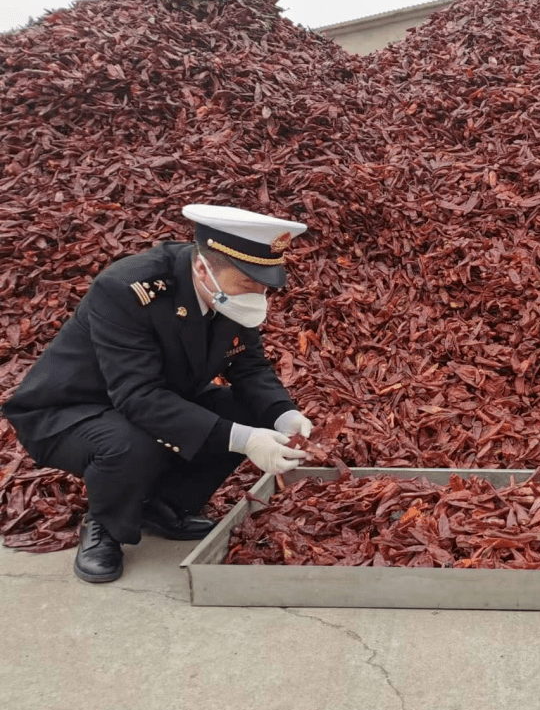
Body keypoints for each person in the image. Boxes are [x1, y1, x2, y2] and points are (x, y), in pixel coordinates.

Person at [2, 205, 314, 583]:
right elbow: (138, 396)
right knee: (132, 441)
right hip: (68, 412)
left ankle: (164, 506)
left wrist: (284, 415)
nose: (258, 295)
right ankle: (104, 527)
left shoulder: (225, 294)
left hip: (151, 398)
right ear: (203, 268)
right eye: (249, 284)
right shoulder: (128, 288)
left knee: (245, 411)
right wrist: (242, 440)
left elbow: (248, 367)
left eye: (264, 286)